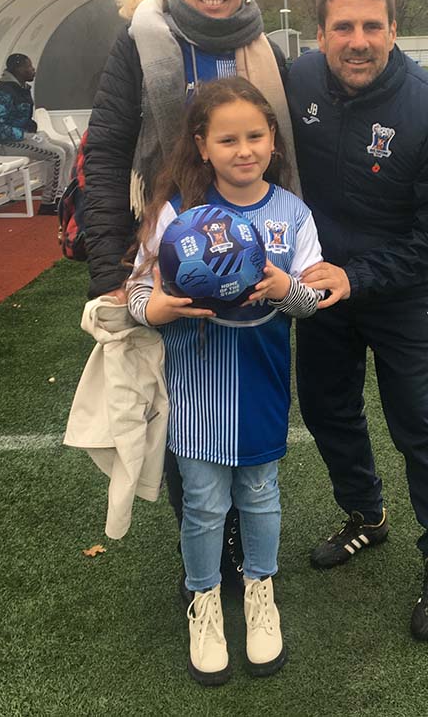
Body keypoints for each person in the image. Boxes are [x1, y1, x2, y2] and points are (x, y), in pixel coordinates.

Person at [81, 0, 297, 601]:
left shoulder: (265, 48)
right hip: (167, 249)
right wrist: (111, 270)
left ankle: (238, 532)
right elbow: (109, 153)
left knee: (249, 393)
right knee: (178, 403)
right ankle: (206, 541)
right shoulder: (140, 41)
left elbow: (288, 155)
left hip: (253, 249)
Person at [287, 0, 428, 641]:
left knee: (420, 422)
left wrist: (356, 276)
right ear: (321, 33)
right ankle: (366, 515)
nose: (358, 40)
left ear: (395, 29)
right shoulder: (298, 80)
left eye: (373, 25)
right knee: (327, 410)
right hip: (323, 292)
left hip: (400, 294)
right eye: (344, 26)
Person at [127, 77, 322, 685]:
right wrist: (154, 309)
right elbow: (136, 288)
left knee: (261, 494)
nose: (245, 150)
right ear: (201, 146)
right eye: (228, 139)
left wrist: (287, 289)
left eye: (256, 136)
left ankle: (261, 594)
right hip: (197, 384)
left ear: (273, 141)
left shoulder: (293, 213)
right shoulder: (176, 213)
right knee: (206, 505)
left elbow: (314, 297)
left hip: (261, 379)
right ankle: (204, 601)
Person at [0, 53, 74, 214]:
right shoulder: (1, 92)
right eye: (29, 67)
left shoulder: (20, 89)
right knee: (56, 154)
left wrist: (32, 133)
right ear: (18, 69)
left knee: (68, 148)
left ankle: (61, 195)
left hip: (22, 138)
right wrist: (25, 135)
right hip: (4, 143)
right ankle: (48, 203)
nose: (33, 70)